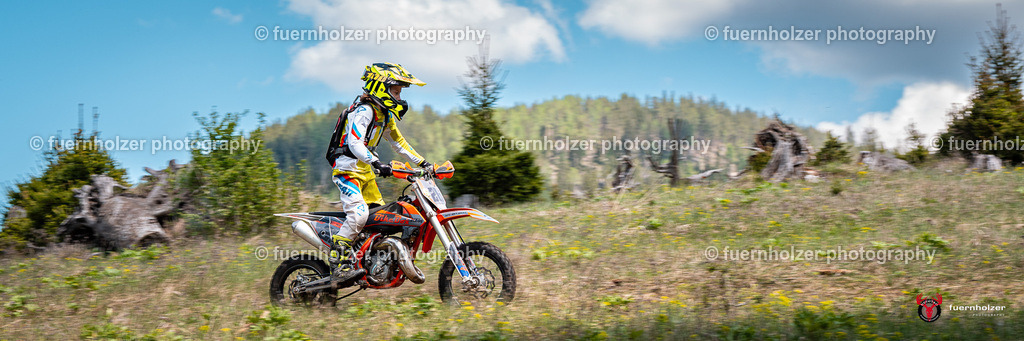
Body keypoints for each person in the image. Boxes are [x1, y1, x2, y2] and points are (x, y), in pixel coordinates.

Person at [324, 62, 429, 275]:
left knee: (382, 219)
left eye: (400, 93)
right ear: (381, 88)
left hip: (365, 172)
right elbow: (354, 143)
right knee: (359, 216)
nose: (399, 98)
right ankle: (338, 259)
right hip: (348, 172)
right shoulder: (364, 111)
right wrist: (376, 162)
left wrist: (424, 163)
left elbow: (399, 143)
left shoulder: (385, 115)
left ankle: (373, 260)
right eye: (396, 92)